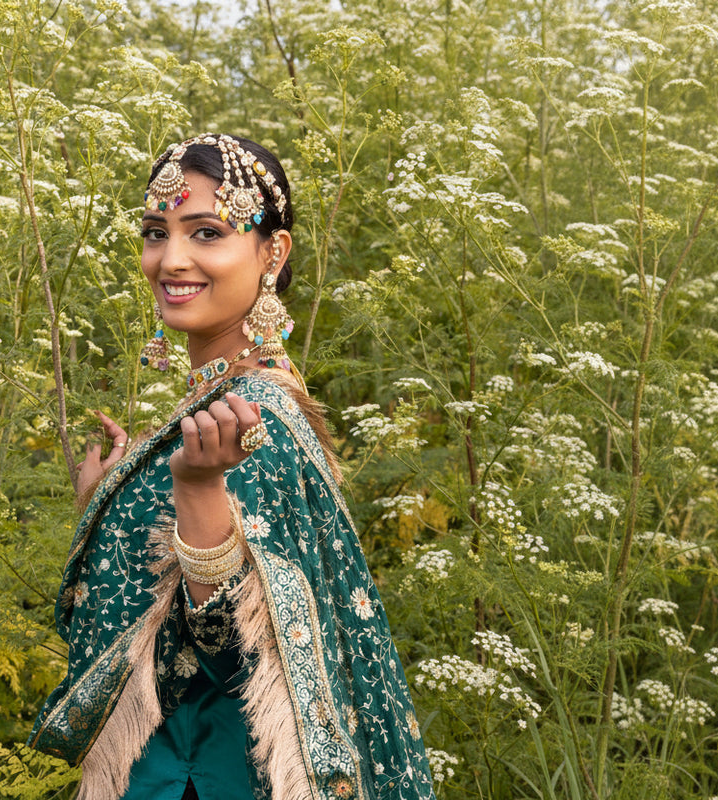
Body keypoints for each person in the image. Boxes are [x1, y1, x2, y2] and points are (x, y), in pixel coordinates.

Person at [28, 133, 435, 800]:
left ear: (271, 253)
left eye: (208, 233)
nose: (171, 258)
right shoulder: (235, 402)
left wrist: (194, 487)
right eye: (155, 231)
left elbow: (228, 644)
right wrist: (108, 506)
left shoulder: (254, 417)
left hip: (198, 775)